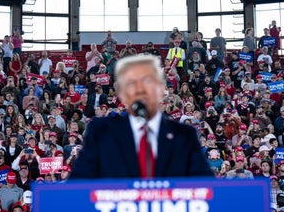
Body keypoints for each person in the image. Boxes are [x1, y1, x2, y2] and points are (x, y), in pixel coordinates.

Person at [70, 54, 213, 179]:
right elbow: (76, 189)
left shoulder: (185, 136)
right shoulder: (100, 132)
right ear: (121, 92)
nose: (140, 90)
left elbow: (209, 191)